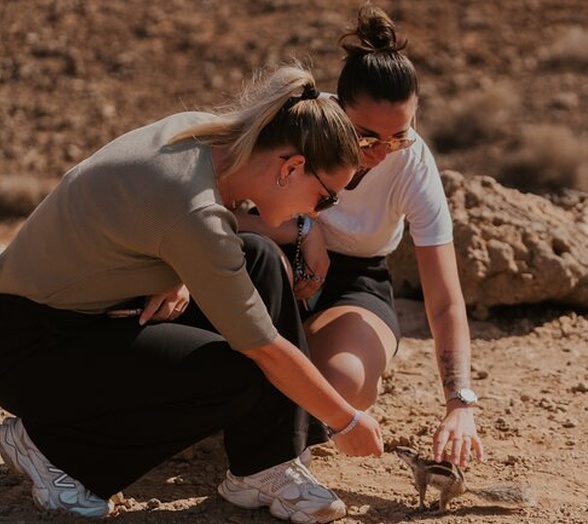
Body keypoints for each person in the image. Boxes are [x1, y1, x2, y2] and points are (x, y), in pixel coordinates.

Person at [0, 62, 383, 523]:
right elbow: (265, 348)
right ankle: (53, 451)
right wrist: (346, 420)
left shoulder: (204, 136)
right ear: (292, 167)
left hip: (84, 315)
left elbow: (158, 220)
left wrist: (175, 272)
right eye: (325, 198)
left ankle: (263, 466)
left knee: (259, 257)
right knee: (238, 374)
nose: (317, 214)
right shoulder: (193, 212)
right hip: (28, 347)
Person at [235, 3, 485, 469]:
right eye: (367, 138)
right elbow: (221, 212)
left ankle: (274, 414)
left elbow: (445, 300)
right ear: (337, 109)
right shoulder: (297, 126)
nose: (382, 154)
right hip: (266, 258)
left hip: (356, 281)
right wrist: (303, 227)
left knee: (345, 384)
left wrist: (460, 403)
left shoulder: (413, 164)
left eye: (399, 137)